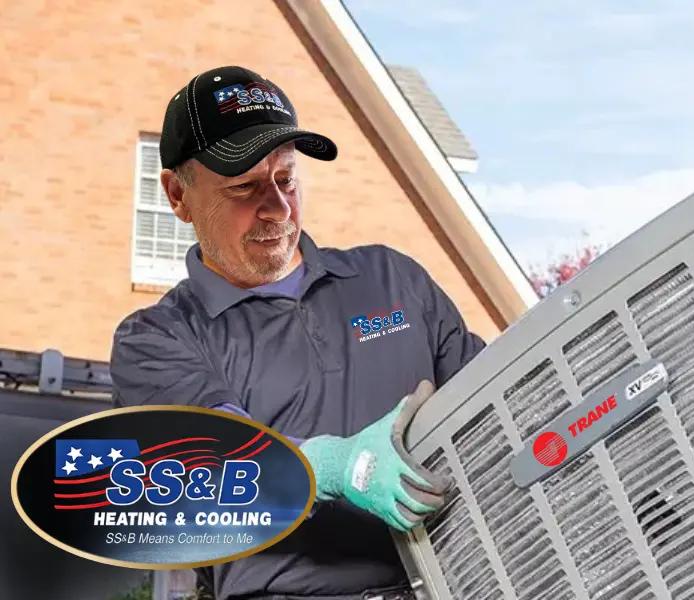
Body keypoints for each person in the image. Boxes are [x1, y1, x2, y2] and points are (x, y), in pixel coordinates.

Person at [110, 65, 487, 600]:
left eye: (285, 179)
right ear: (178, 195)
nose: (278, 209)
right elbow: (216, 458)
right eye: (244, 188)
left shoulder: (392, 278)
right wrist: (335, 466)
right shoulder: (157, 339)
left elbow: (495, 409)